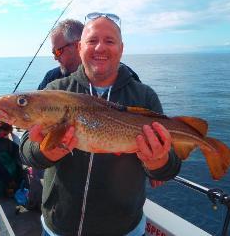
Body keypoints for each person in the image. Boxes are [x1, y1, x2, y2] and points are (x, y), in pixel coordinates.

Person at [18, 13, 182, 235]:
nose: (100, 48)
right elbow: (26, 151)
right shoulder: (56, 90)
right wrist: (45, 151)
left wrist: (158, 162)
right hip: (59, 226)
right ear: (80, 47)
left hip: (124, 229)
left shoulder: (143, 96)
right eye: (92, 41)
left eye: (109, 41)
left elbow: (168, 168)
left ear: (121, 49)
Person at [38, 19, 141, 90]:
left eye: (58, 51)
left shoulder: (126, 76)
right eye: (54, 52)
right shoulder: (52, 78)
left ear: (77, 46)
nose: (55, 57)